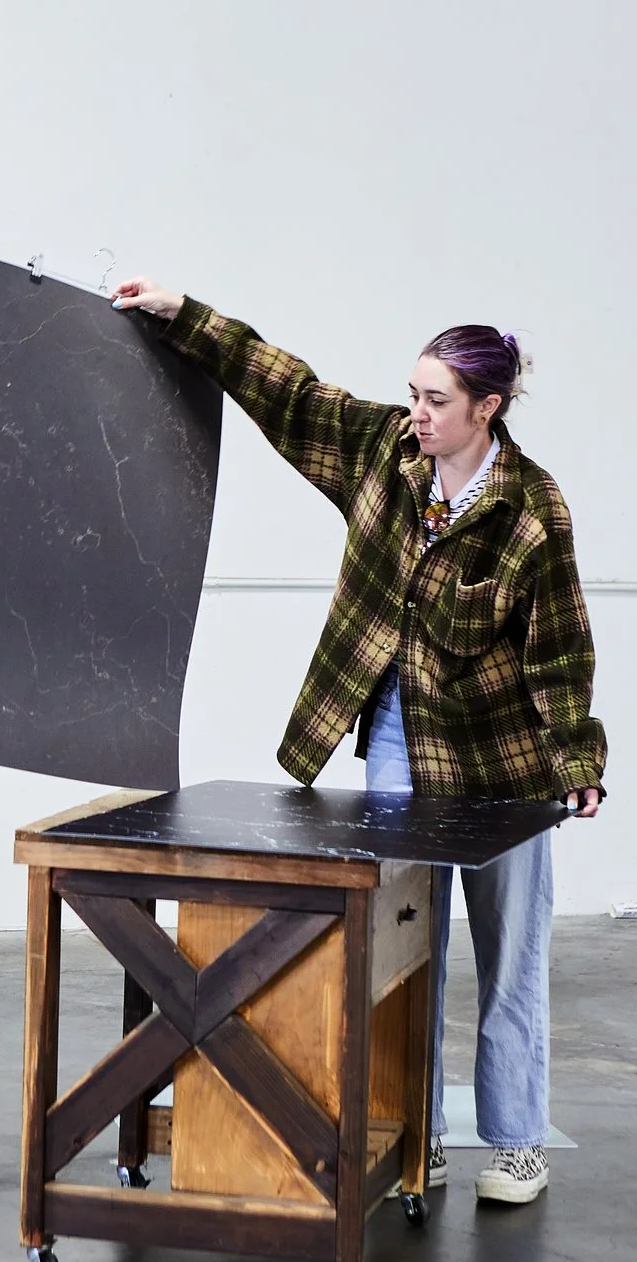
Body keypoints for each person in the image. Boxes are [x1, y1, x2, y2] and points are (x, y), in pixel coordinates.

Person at [111, 277, 606, 1206]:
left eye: (437, 400)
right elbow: (287, 390)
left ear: (486, 408)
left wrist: (577, 763)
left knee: (511, 951)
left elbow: (562, 649)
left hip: (505, 762)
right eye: (413, 392)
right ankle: (415, 1133)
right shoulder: (384, 454)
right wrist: (187, 316)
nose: (415, 412)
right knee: (403, 944)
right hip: (398, 733)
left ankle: (517, 1141)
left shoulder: (533, 512)